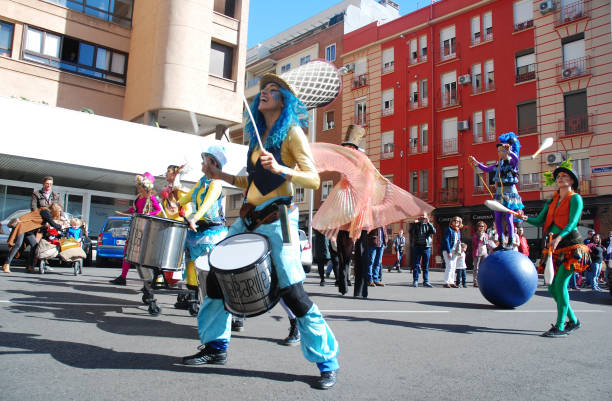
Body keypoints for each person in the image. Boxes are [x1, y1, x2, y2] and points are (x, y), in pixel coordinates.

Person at [181, 73, 339, 389]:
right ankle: (215, 347)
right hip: (249, 217)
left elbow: (312, 179)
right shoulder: (256, 137)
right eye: (263, 90)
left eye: (273, 90)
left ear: (285, 100)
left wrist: (282, 168)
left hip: (281, 219)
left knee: (292, 290)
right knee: (214, 277)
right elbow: (250, 183)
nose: (264, 93)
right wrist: (220, 173)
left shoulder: (292, 133)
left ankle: (327, 362)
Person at [519, 160, 590, 337]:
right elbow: (539, 220)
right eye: (558, 176)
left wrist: (559, 237)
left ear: (572, 180)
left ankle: (560, 326)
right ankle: (573, 321)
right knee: (552, 288)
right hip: (554, 246)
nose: (560, 178)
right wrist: (524, 217)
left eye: (564, 175)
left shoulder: (575, 198)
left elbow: (573, 222)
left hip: (571, 245)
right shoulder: (552, 201)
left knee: (560, 284)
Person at [469, 132, 524, 250]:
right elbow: (486, 169)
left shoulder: (512, 163)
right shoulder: (498, 164)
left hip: (510, 193)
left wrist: (510, 152)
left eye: (502, 151)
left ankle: (510, 241)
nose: (499, 153)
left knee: (509, 217)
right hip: (499, 193)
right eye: (498, 151)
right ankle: (501, 241)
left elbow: (516, 159)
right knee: (497, 218)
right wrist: (476, 162)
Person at [109, 172, 162, 285]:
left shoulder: (151, 197)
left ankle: (149, 281)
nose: (138, 188)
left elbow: (158, 210)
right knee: (128, 251)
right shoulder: (138, 197)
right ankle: (123, 277)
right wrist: (123, 212)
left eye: (140, 186)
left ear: (145, 187)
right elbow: (135, 210)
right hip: (136, 225)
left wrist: (148, 215)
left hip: (146, 227)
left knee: (143, 254)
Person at [3, 203, 64, 273]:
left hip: (29, 230)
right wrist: (61, 227)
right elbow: (53, 223)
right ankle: (6, 264)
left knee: (34, 245)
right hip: (23, 227)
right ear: (55, 210)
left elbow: (40, 223)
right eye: (59, 211)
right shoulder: (45, 212)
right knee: (17, 245)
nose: (59, 212)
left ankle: (30, 266)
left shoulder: (46, 212)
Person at [410, 212, 436, 288]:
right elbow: (411, 232)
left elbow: (434, 231)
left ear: (426, 217)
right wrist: (414, 224)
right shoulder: (416, 225)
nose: (422, 218)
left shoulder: (428, 225)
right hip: (417, 246)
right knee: (416, 265)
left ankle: (426, 281)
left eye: (423, 217)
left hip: (426, 247)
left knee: (425, 265)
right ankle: (415, 280)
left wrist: (429, 223)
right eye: (421, 217)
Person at [442, 216, 462, 288]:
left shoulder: (458, 230)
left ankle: (451, 281)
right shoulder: (448, 229)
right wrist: (448, 251)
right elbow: (446, 240)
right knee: (449, 265)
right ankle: (446, 282)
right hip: (448, 250)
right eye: (455, 221)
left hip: (455, 250)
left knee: (453, 267)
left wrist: (460, 252)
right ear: (452, 221)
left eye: (458, 221)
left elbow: (458, 241)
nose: (456, 222)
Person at [471, 221, 489, 288]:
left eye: (483, 226)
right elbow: (475, 244)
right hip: (477, 252)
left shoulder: (486, 235)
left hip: (484, 252)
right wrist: (480, 236)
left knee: (484, 267)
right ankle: (475, 281)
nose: (481, 227)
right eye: (480, 226)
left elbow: (487, 243)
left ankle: (483, 281)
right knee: (476, 268)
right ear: (478, 227)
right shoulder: (475, 234)